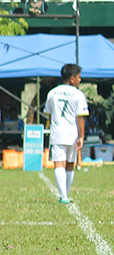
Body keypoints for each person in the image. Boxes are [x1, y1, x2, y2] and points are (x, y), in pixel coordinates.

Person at [43, 63, 88, 203]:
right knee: (70, 164)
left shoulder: (52, 93)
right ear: (72, 78)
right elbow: (80, 117)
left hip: (57, 133)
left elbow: (48, 114)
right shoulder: (78, 94)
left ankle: (63, 196)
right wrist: (81, 136)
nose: (80, 80)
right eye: (79, 78)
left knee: (59, 164)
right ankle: (66, 194)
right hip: (72, 134)